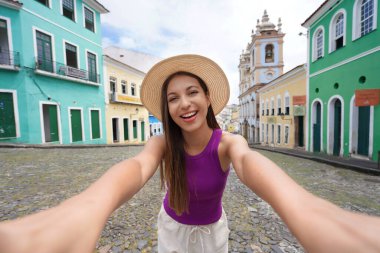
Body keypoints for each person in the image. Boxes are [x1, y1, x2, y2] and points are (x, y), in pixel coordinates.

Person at [0, 54, 379, 253]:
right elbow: (136, 167)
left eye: (192, 92)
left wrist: (308, 212)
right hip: (172, 230)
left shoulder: (229, 143)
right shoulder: (162, 143)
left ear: (208, 97)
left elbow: (252, 165)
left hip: (213, 233)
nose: (184, 103)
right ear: (166, 108)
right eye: (173, 97)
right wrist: (85, 209)